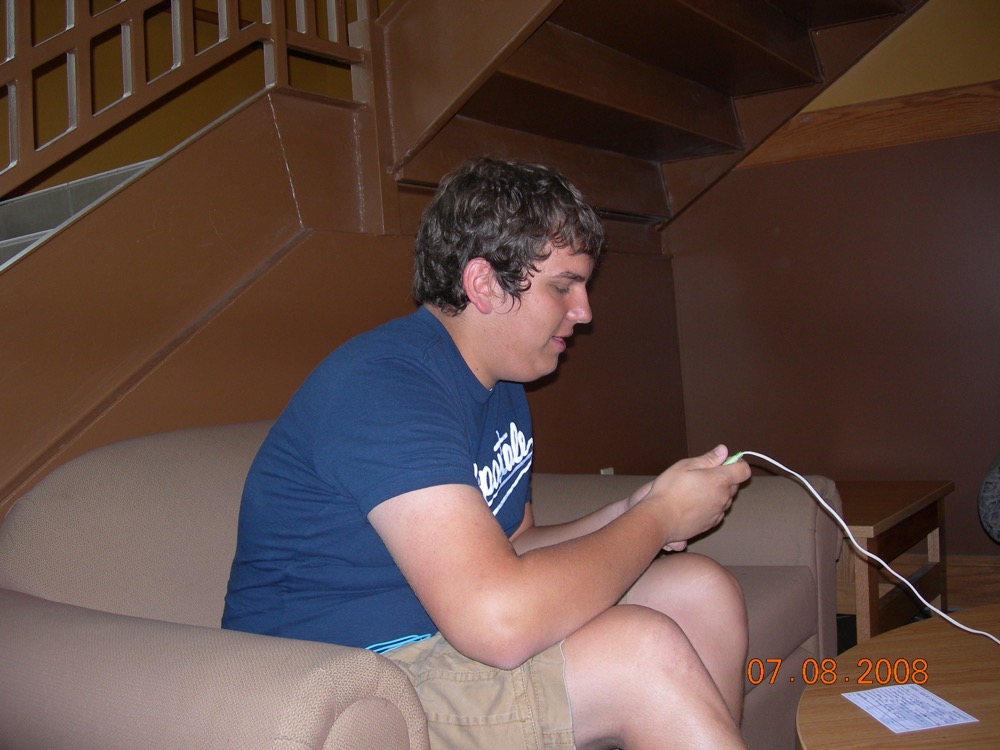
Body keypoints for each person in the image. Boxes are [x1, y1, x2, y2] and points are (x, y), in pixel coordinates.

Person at [223, 156, 751, 749]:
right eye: (562, 286)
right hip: (336, 685)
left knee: (701, 591)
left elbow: (513, 545)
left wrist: (635, 508)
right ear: (484, 284)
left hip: (434, 645)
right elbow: (499, 622)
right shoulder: (384, 386)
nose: (584, 312)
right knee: (642, 653)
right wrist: (659, 519)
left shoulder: (499, 386)